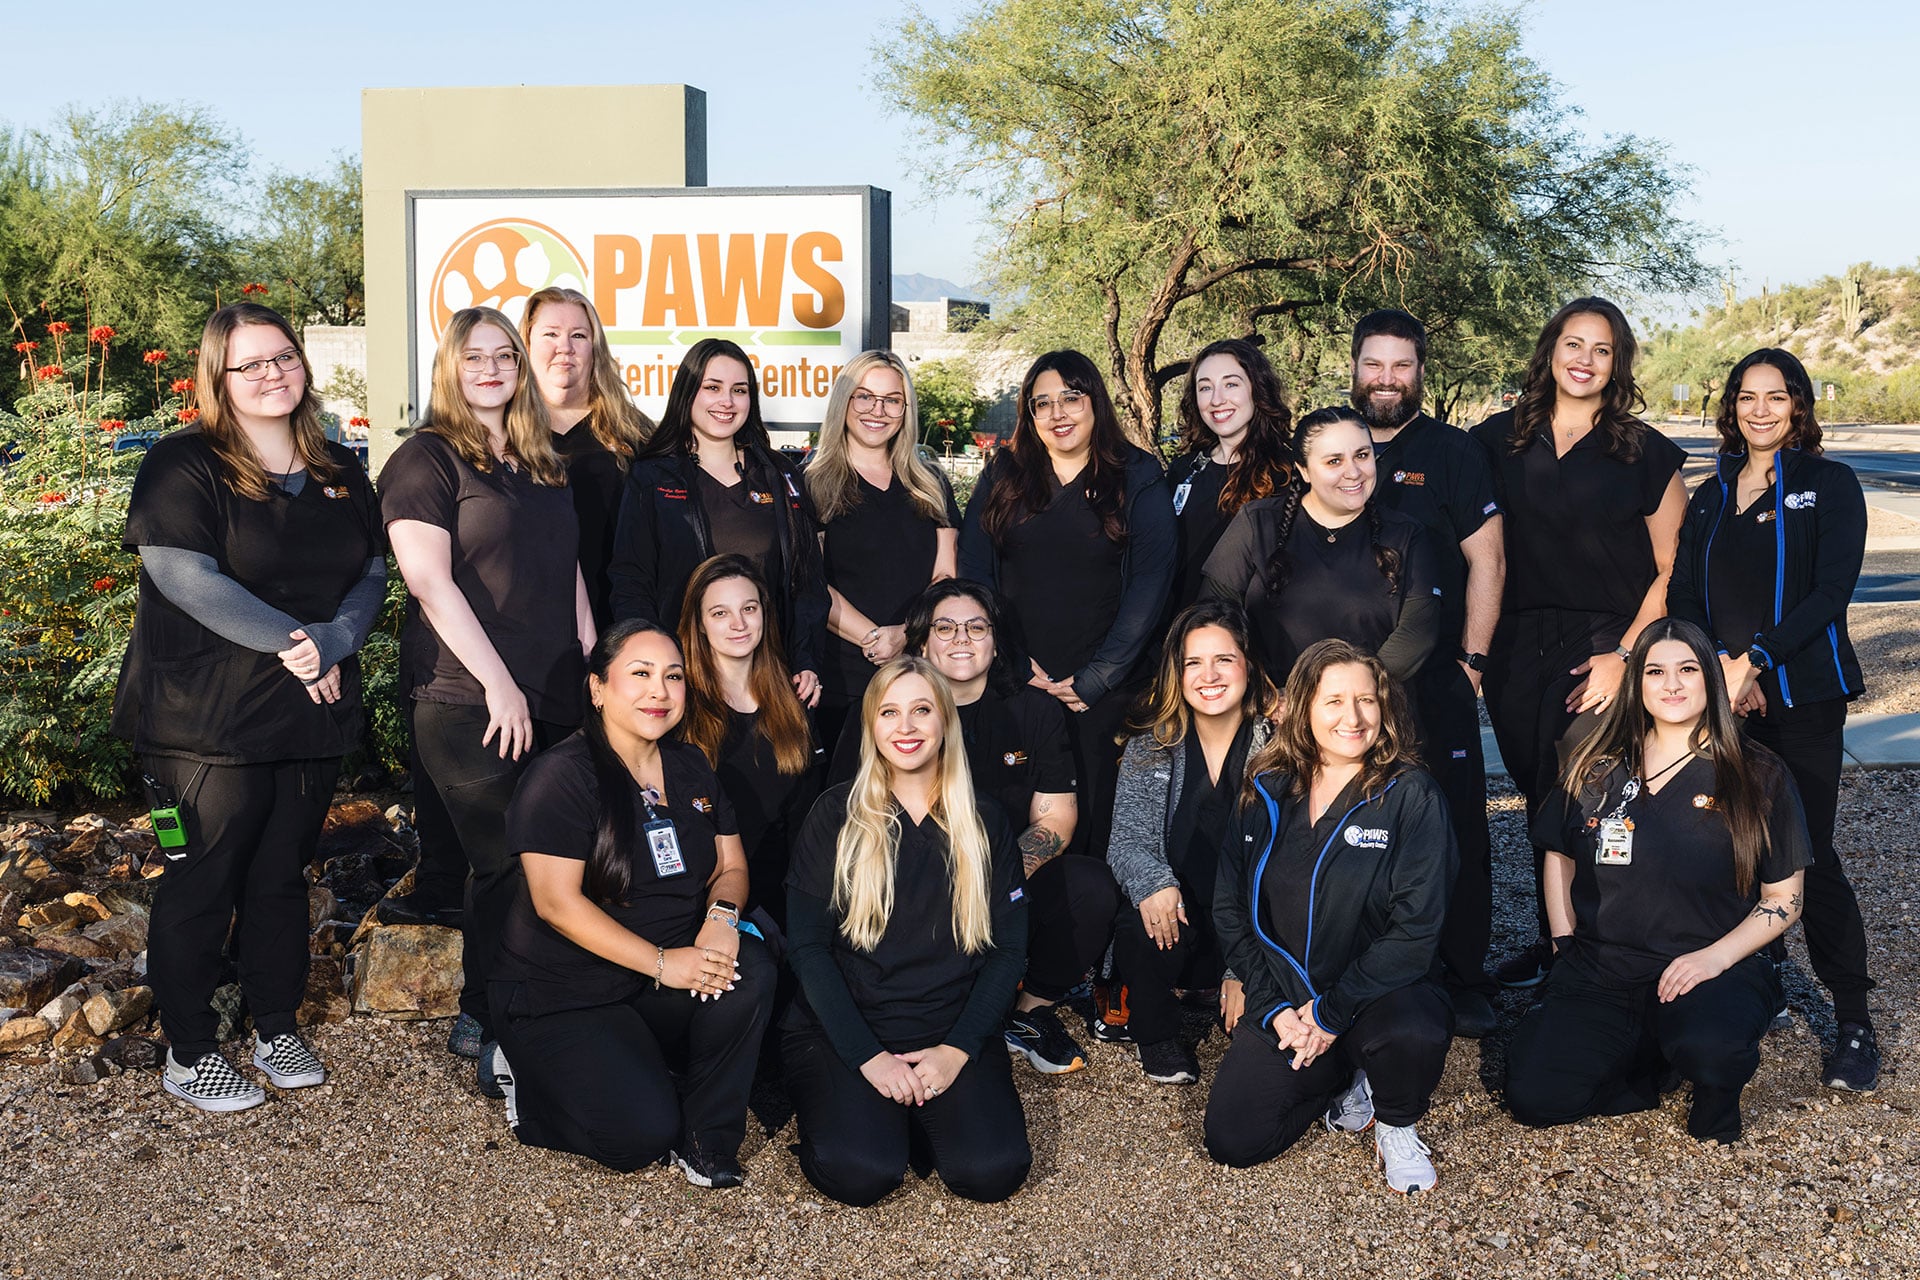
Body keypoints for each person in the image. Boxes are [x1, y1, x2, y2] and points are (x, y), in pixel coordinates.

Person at [112, 302, 385, 1111]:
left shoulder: (339, 467)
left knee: (279, 879)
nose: (272, 374)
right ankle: (190, 1050)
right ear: (217, 378)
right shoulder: (182, 464)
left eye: (283, 357)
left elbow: (370, 573)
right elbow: (185, 577)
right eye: (250, 364)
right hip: (203, 724)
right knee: (202, 880)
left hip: (309, 714)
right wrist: (299, 646)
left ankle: (274, 1023)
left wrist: (334, 642)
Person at [380, 306, 594, 1095]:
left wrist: (592, 657)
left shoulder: (541, 460)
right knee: (502, 865)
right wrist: (499, 682)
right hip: (468, 698)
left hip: (556, 690)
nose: (495, 368)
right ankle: (490, 1017)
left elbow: (566, 566)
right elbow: (429, 583)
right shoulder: (426, 460)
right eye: (477, 357)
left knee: (559, 857)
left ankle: (518, 1002)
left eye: (507, 354)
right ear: (451, 367)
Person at [1505, 619, 1810, 1143]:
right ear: (1636, 684)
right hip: (1603, 966)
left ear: (1711, 680)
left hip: (1708, 966)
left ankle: (1704, 1073)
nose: (1671, 685)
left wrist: (1713, 959)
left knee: (1712, 1051)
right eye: (1655, 671)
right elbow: (1559, 851)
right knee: (1536, 1098)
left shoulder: (1758, 773)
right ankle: (1652, 1062)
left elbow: (1784, 897)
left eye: (1688, 669)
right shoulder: (1594, 767)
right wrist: (1562, 940)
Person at [491, 620, 773, 1185]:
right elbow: (555, 904)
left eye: (673, 677)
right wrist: (668, 964)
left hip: (655, 981)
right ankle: (526, 1081)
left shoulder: (692, 766)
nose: (659, 692)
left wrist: (721, 920)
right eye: (640, 674)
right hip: (569, 993)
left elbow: (733, 866)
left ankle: (707, 1139)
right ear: (598, 689)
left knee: (751, 967)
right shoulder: (561, 777)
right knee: (637, 1136)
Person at [1667, 348, 1879, 1091]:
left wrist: (1756, 658)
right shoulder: (1712, 490)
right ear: (1731, 406)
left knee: (1804, 849)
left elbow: (1830, 592)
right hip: (1728, 698)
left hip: (1804, 698)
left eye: (1776, 397)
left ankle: (1851, 1017)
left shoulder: (1830, 484)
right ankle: (1761, 985)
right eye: (1747, 397)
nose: (1760, 409)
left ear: (1798, 405)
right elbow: (1685, 592)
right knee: (1733, 844)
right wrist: (1722, 671)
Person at [1469, 297, 1687, 989]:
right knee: (1540, 794)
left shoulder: (1644, 451)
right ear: (1550, 351)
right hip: (1514, 641)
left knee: (1594, 797)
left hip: (1603, 641)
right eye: (1573, 344)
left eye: (1601, 348)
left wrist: (1625, 657)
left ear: (1617, 362)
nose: (1584, 359)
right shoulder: (1497, 439)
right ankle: (1554, 943)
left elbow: (1672, 567)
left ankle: (1608, 952)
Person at [1204, 640, 1456, 1193]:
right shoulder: (1264, 790)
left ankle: (1395, 1120)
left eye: (1367, 700)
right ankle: (1343, 1074)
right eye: (1334, 701)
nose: (1354, 717)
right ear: (1303, 709)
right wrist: (1274, 1009)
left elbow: (1414, 933)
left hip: (1377, 994)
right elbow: (1230, 908)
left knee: (1410, 1031)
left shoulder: (1411, 796)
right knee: (1234, 1139)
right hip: (1289, 999)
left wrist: (1330, 1015)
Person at [783, 658, 1032, 1206]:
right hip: (850, 1026)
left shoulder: (984, 821)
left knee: (993, 1172)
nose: (907, 727)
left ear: (946, 722)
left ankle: (915, 1117)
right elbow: (807, 949)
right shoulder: (835, 815)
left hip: (946, 1026)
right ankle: (880, 1119)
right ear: (871, 726)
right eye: (890, 712)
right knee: (861, 1173)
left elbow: (1010, 950)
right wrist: (869, 1058)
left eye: (922, 710)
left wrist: (958, 1050)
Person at [1347, 309, 1506, 1038]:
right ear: (1354, 368)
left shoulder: (1454, 451)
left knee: (1455, 829)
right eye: (1374, 365)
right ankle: (1363, 970)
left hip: (1434, 679)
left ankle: (1464, 975)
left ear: (1420, 372)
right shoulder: (1326, 444)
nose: (1386, 380)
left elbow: (1487, 560)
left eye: (1401, 366)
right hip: (1341, 688)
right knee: (1356, 830)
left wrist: (1472, 663)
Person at [958, 349, 1177, 870]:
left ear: (1094, 402)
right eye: (1043, 404)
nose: (1058, 414)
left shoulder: (1137, 475)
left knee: (1092, 828)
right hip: (1014, 682)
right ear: (1029, 415)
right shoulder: (1004, 474)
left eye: (1071, 398)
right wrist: (1008, 659)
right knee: (1009, 816)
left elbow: (1152, 583)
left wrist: (1098, 676)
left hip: (1100, 692)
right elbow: (975, 571)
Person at [1105, 601, 1277, 1085]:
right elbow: (1127, 840)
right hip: (1174, 927)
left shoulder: (1281, 746)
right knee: (1143, 914)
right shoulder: (1151, 743)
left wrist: (1244, 963)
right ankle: (1156, 1033)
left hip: (1247, 927)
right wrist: (1154, 883)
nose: (1210, 675)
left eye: (1224, 659)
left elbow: (1288, 865)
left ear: (1249, 664)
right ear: (1175, 676)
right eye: (1193, 663)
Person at [609, 337, 828, 705]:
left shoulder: (778, 474)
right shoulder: (652, 478)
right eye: (712, 387)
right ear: (687, 393)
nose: (726, 401)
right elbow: (631, 582)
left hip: (767, 678)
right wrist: (653, 665)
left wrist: (805, 660)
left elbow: (807, 581)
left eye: (738, 390)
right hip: (684, 680)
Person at [1202, 406, 1440, 688]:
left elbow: (1418, 631)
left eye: (1362, 456)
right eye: (1333, 461)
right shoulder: (1257, 524)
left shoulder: (1406, 535)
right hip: (1277, 710)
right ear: (1303, 470)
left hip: (1369, 712)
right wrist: (1263, 694)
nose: (1353, 472)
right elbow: (1212, 617)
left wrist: (1342, 697)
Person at [805, 351, 962, 754]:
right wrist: (876, 639)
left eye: (892, 399)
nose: (878, 410)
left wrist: (906, 634)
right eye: (864, 396)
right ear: (844, 402)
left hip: (922, 673)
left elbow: (947, 577)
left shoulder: (930, 483)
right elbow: (810, 582)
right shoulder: (812, 484)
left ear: (905, 409)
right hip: (843, 678)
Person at [676, 554, 821, 932]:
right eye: (720, 613)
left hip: (785, 902)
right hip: (703, 907)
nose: (738, 624)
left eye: (749, 608)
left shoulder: (795, 703)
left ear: (764, 614)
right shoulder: (679, 709)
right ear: (701, 625)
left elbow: (805, 824)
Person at [521, 286, 655, 628]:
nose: (564, 347)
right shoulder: (501, 434)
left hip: (620, 627)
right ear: (525, 342)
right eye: (551, 333)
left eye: (578, 335)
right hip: (522, 634)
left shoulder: (635, 435)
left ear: (594, 349)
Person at [1165, 339, 1294, 609]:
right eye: (1205, 388)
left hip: (1245, 638)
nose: (1216, 399)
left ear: (1257, 390)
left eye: (1231, 384)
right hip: (1177, 635)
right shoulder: (1182, 471)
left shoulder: (1287, 473)